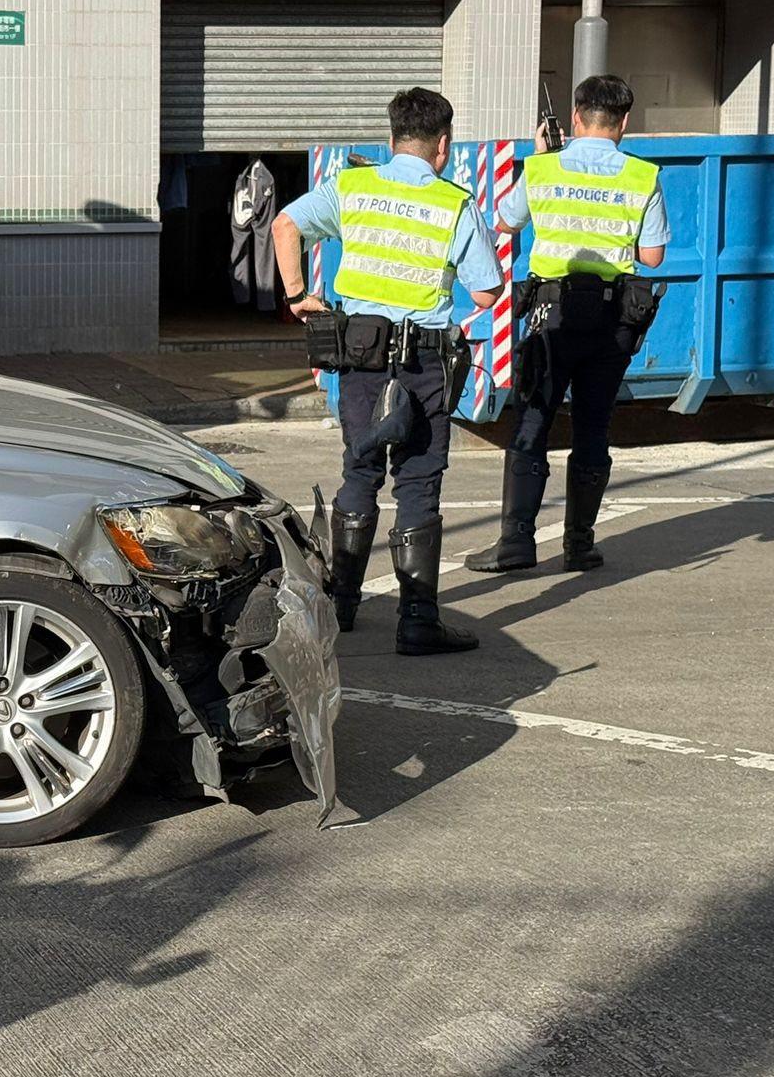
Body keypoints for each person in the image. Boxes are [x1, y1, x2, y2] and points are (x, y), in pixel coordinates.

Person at [272, 88, 503, 652]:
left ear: (392, 137)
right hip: (424, 360)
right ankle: (418, 622)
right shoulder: (454, 204)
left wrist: (298, 296)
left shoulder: (353, 188)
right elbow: (486, 290)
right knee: (419, 480)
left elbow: (284, 225)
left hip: (361, 355)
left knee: (360, 470)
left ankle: (343, 608)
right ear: (443, 145)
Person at [466, 73, 669, 574]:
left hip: (550, 317)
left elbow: (504, 221)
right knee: (594, 427)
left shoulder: (542, 169)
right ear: (624, 122)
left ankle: (516, 542)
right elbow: (652, 256)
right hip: (612, 320)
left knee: (533, 421)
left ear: (576, 117)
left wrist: (540, 159)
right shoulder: (642, 176)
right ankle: (579, 545)